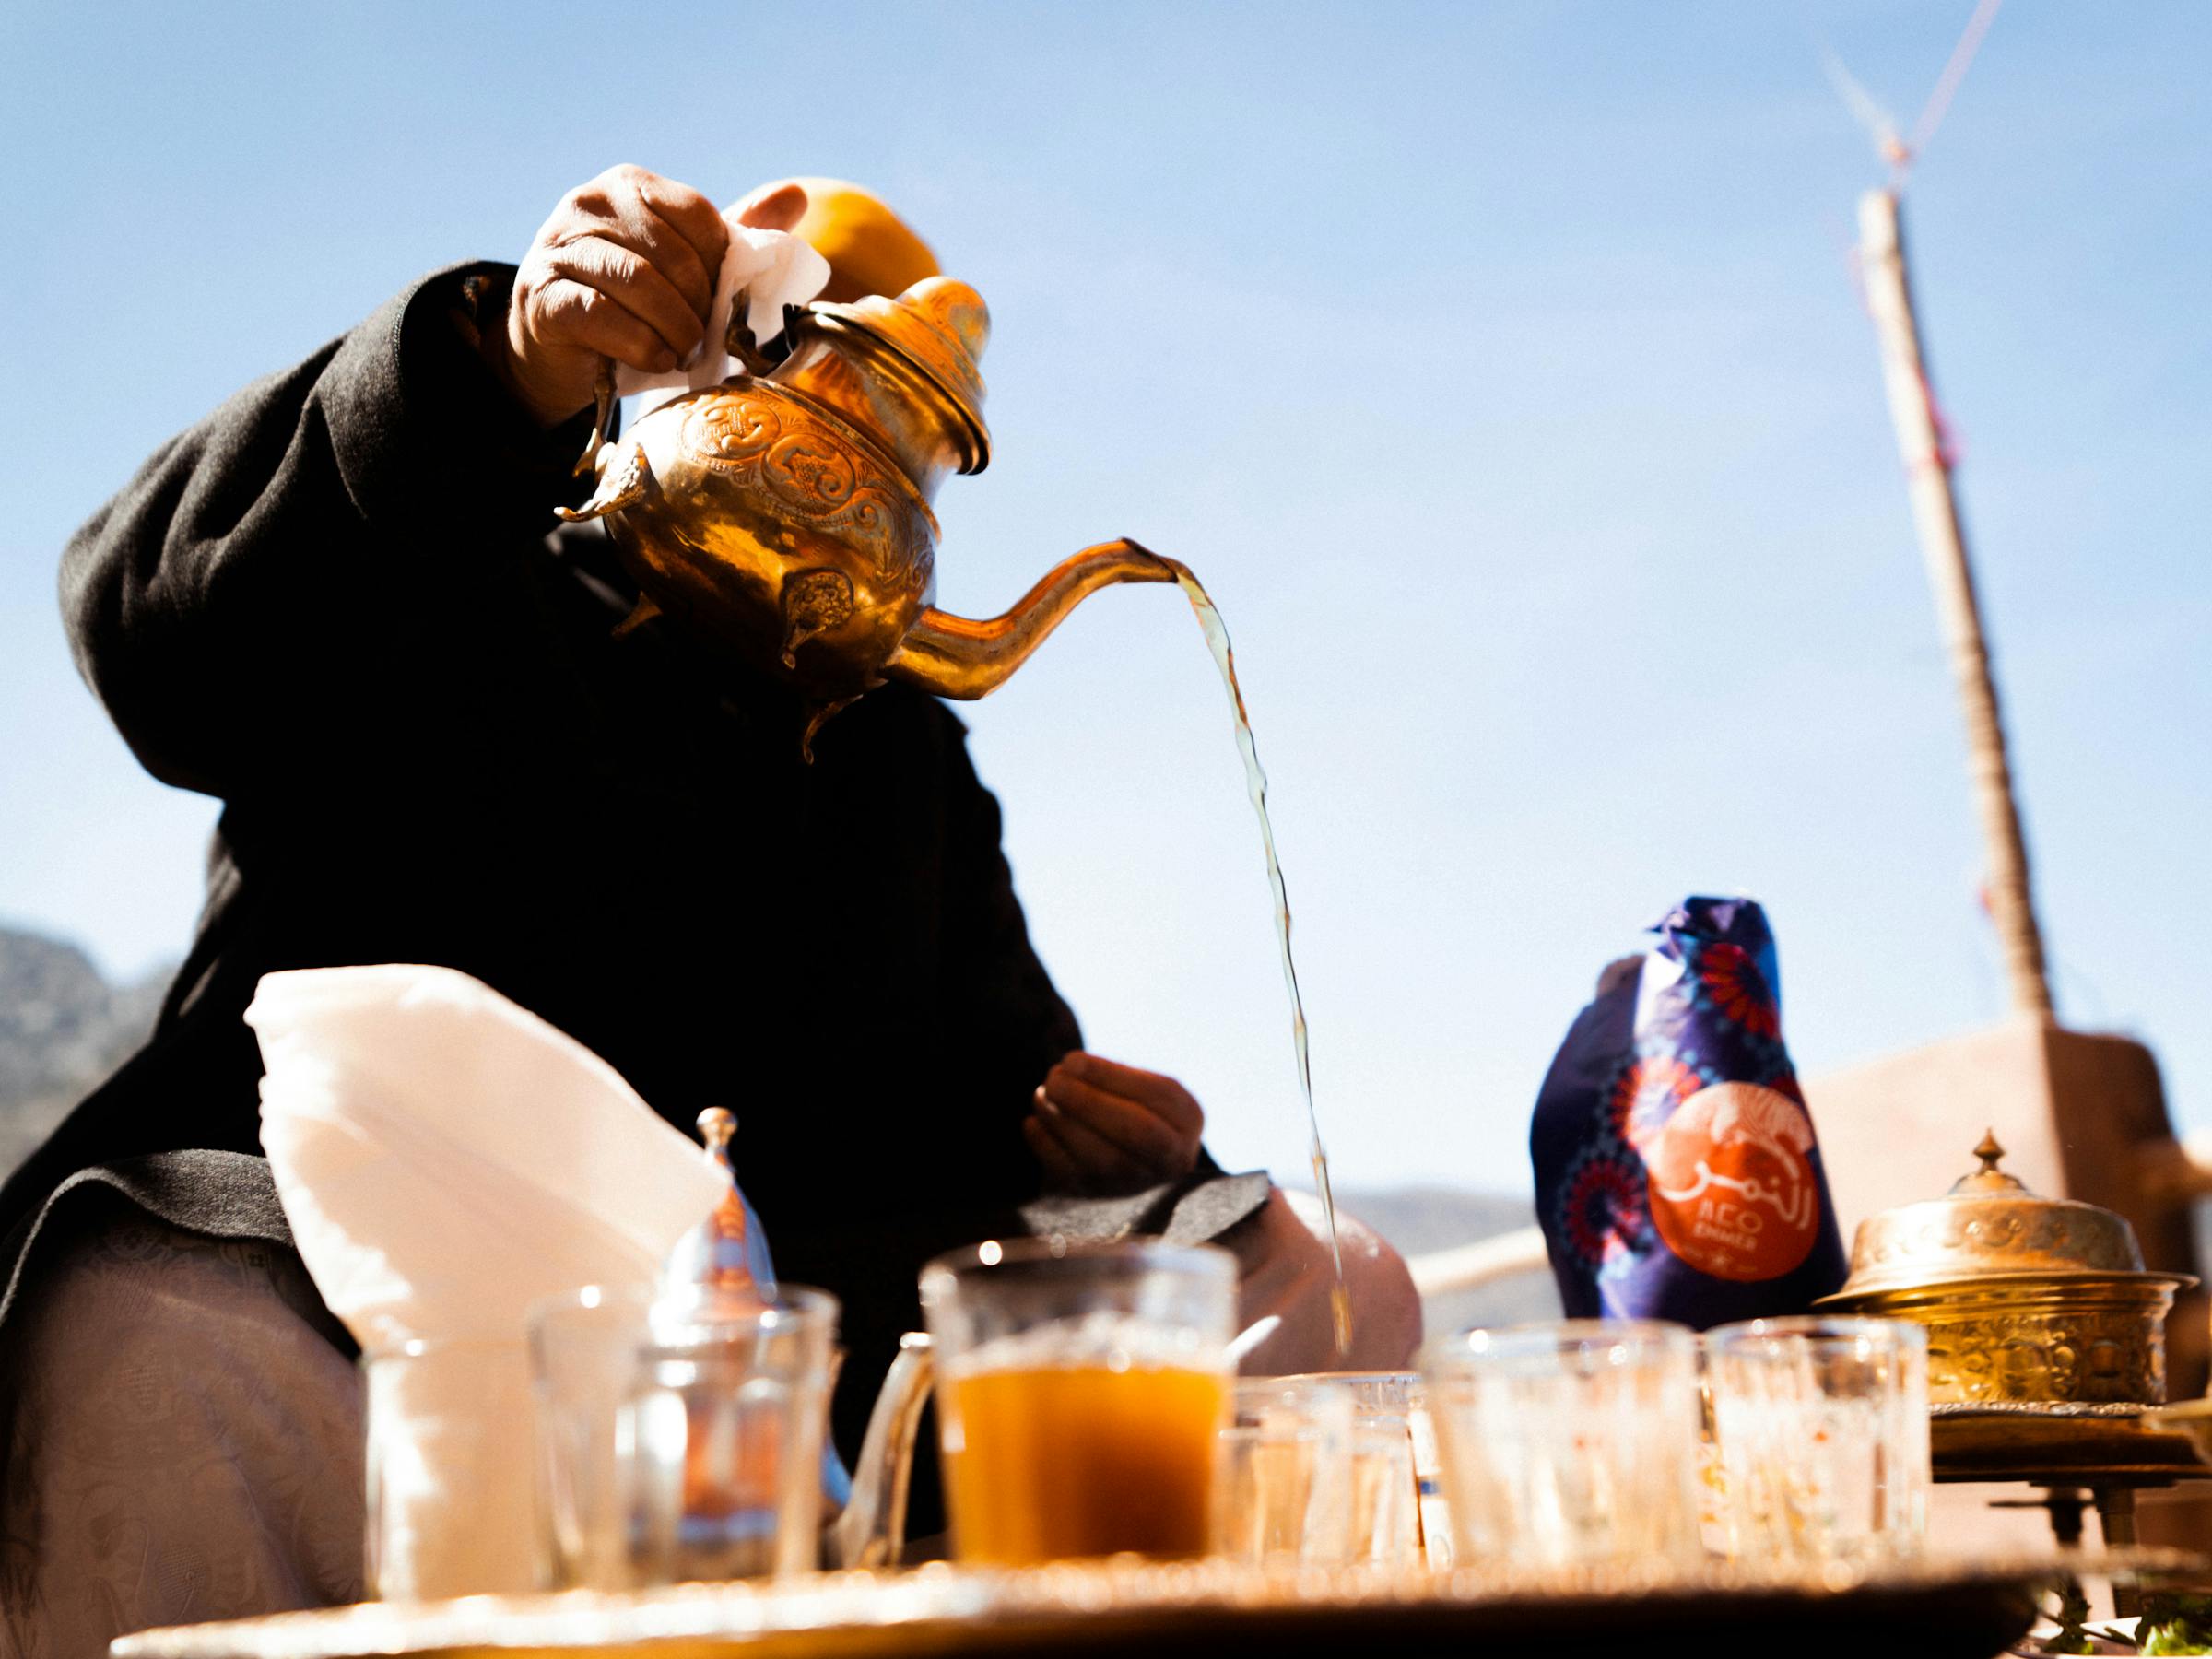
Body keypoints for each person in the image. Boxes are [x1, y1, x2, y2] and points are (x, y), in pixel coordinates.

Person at [0, 167, 1418, 1649]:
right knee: (160, 1332)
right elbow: (152, 634)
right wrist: (504, 357)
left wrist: (1124, 1143)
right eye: (832, 391)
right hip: (368, 1258)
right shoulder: (444, 542)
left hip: (796, 1313)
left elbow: (992, 1085)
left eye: (911, 450)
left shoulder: (899, 750)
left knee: (1322, 1290)